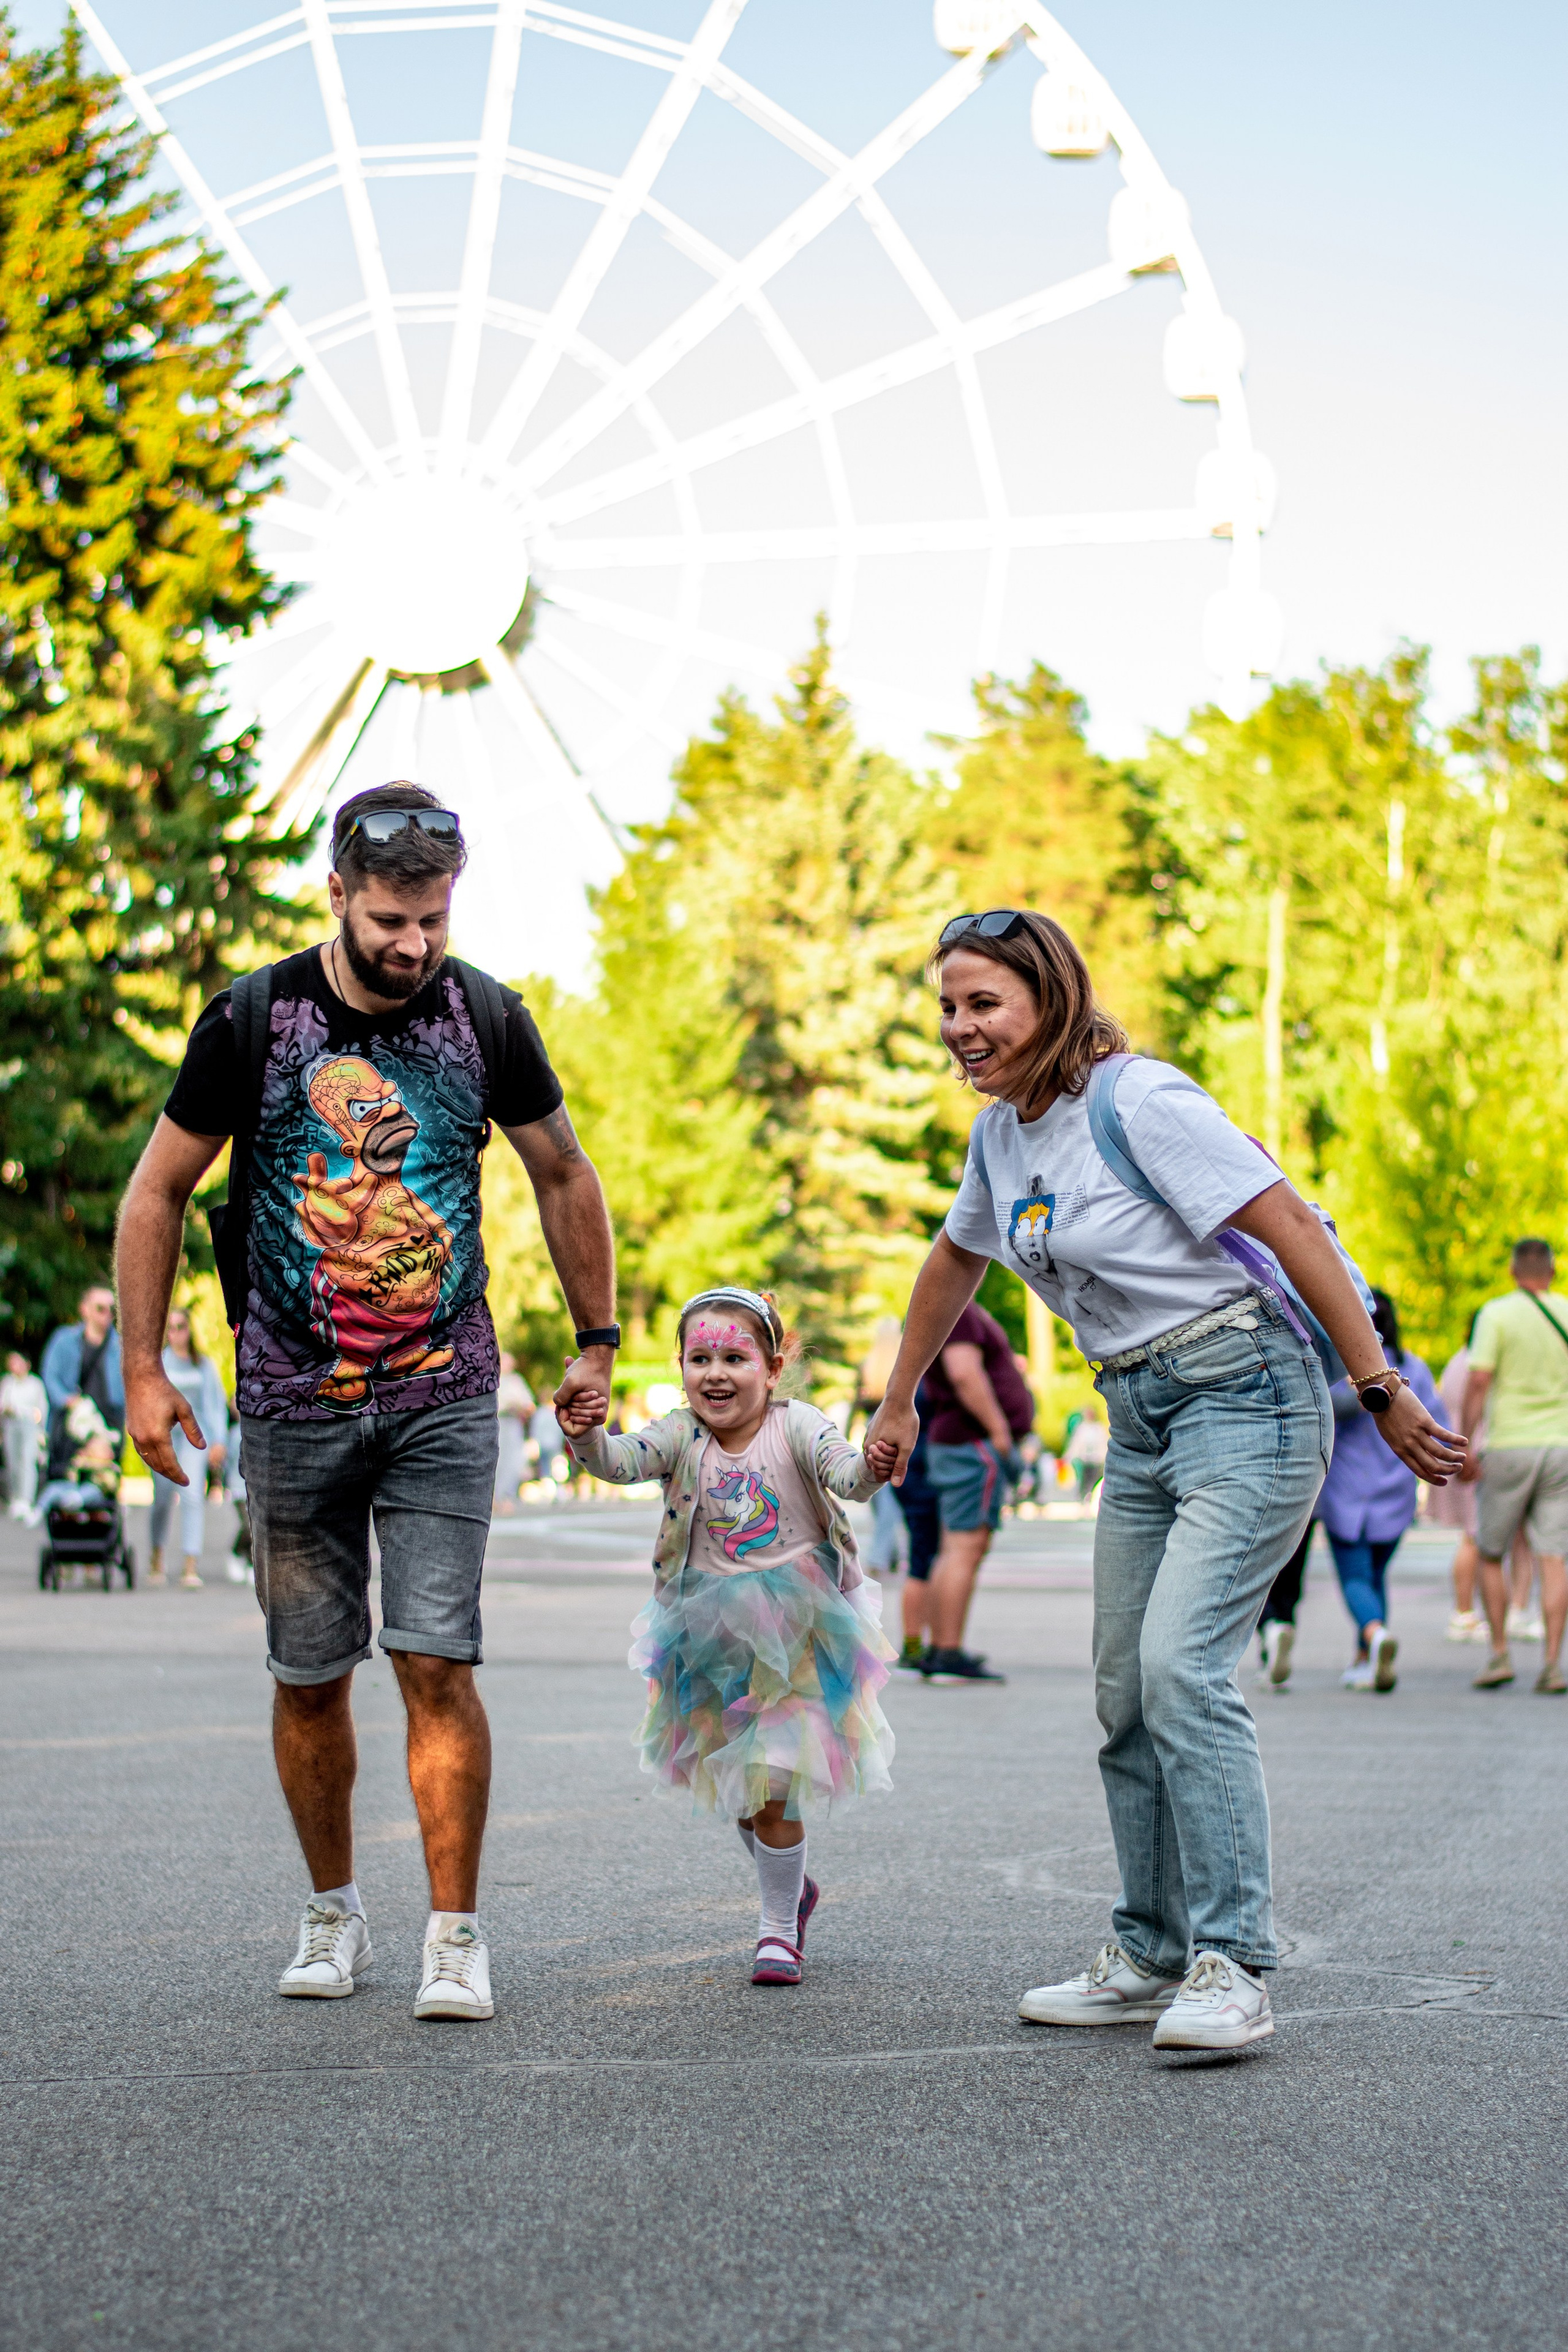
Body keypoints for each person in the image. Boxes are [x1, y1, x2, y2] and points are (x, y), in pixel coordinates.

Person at [868, 910, 1463, 2051]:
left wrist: (1381, 1387)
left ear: (1050, 997)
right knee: (1125, 1693)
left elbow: (1290, 1225)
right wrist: (899, 1397)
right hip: (1138, 1417)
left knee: (1181, 1670)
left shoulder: (1139, 1102)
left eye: (984, 1003)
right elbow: (955, 1257)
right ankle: (1149, 1952)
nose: (959, 1028)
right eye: (947, 1006)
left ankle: (1233, 1964)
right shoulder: (1000, 1137)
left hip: (1249, 1394)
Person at [115, 781, 617, 2022]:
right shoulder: (252, 1018)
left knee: (436, 1659)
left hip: (446, 1392)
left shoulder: (484, 1015)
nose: (415, 944)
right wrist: (143, 1372)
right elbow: (156, 1191)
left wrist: (597, 1340)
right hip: (293, 1400)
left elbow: (563, 1171)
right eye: (391, 919)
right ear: (336, 893)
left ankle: (455, 1935)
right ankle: (334, 1912)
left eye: (434, 918)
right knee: (308, 1675)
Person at [559, 1286, 895, 1988]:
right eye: (700, 1358)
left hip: (800, 1631)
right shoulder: (680, 1433)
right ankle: (793, 1887)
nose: (715, 1373)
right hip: (706, 1637)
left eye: (735, 1359)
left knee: (775, 1785)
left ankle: (777, 1929)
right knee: (744, 1795)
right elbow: (617, 1463)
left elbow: (848, 1477)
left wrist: (873, 1462)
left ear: (772, 1370)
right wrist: (585, 1432)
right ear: (681, 1367)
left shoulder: (797, 1425)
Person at [1316, 1289, 1440, 1692]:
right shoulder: (1414, 1369)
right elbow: (1437, 1421)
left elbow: (1320, 1409)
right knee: (1375, 1574)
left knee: (1355, 1576)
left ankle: (1374, 1634)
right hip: (1396, 1492)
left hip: (1346, 1492)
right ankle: (1366, 1657)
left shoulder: (1339, 1371)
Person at [1461, 1238, 1568, 1695]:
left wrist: (1467, 1441)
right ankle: (1552, 1665)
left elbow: (1479, 1379)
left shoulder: (1496, 1314)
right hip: (1561, 1446)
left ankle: (1500, 1654)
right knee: (1554, 1556)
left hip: (1508, 1445)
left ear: (1512, 1271)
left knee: (1491, 1552)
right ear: (1552, 1272)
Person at [918, 1297, 1034, 1684]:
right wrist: (1000, 1433)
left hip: (959, 1442)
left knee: (954, 1547)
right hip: (973, 1443)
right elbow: (964, 1373)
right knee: (965, 1547)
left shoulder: (956, 1308)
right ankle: (947, 1652)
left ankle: (941, 1648)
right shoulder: (960, 1308)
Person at [146, 1307, 228, 1588]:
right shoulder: (160, 1364)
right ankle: (157, 1554)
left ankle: (190, 1563)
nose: (176, 1333)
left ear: (189, 1330)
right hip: (166, 1438)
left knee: (192, 1495)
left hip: (194, 1437)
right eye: (170, 1328)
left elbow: (215, 1405)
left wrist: (218, 1441)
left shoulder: (202, 1365)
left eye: (181, 1327)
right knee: (162, 1497)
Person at [40, 1285, 124, 1479]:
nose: (107, 1314)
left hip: (108, 1425)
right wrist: (67, 1400)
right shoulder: (64, 1340)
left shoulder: (120, 1346)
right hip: (71, 1422)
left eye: (111, 1310)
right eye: (100, 1308)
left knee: (103, 1482)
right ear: (84, 1309)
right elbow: (50, 1377)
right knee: (65, 1478)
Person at [892, 1379, 941, 1668]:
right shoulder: (925, 1384)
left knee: (922, 1560)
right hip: (924, 1475)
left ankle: (918, 1644)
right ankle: (916, 1645)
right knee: (924, 1563)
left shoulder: (909, 1383)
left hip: (915, 1475)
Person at [1, 1350, 47, 1520]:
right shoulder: (8, 1382)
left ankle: (27, 1499)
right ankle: (15, 1498)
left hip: (30, 1425)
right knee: (12, 1461)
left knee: (28, 1460)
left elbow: (42, 1408)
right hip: (11, 1423)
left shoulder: (35, 1384)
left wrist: (41, 1430)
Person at [493, 1351, 534, 1515]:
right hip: (498, 1423)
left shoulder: (517, 1381)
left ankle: (507, 1497)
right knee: (497, 1461)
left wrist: (520, 1408)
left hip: (514, 1424)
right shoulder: (492, 1379)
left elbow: (529, 1405)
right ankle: (494, 1498)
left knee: (514, 1461)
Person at [1064, 1404, 1109, 1507]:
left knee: (1093, 1480)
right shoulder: (1082, 1428)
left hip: (1096, 1460)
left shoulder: (1099, 1428)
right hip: (1084, 1459)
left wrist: (1104, 1457)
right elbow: (1076, 1443)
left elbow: (1103, 1443)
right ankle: (1082, 1498)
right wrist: (1069, 1456)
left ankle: (1090, 1497)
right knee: (1083, 1480)